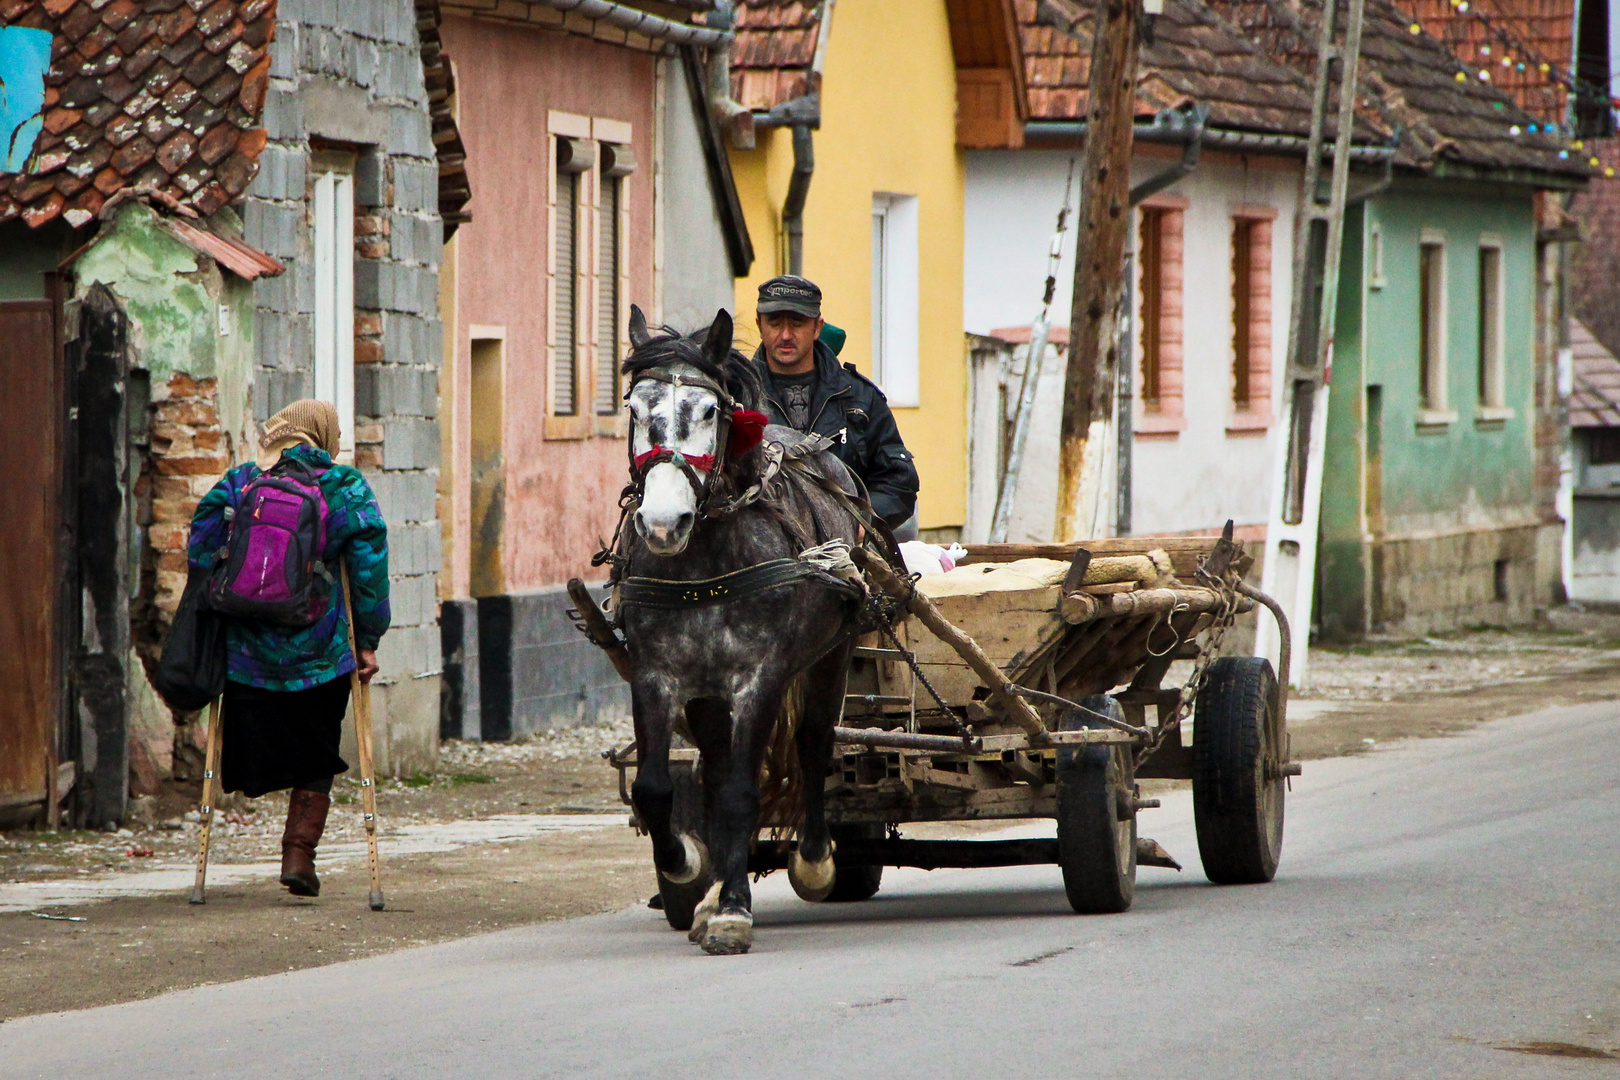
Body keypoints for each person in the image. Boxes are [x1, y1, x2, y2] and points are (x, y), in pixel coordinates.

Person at [186, 400, 390, 897]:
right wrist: (367, 640)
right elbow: (368, 569)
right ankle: (299, 851)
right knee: (318, 750)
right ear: (324, 436)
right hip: (320, 652)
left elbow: (200, 546)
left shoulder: (240, 482)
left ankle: (210, 863)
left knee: (253, 736)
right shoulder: (344, 488)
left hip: (245, 654)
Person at [751, 275, 920, 531]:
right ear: (759, 324)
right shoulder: (736, 396)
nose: (785, 335)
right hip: (761, 557)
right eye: (774, 323)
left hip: (848, 552)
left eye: (797, 323)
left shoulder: (859, 398)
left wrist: (864, 521)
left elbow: (898, 481)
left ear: (817, 327)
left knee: (907, 532)